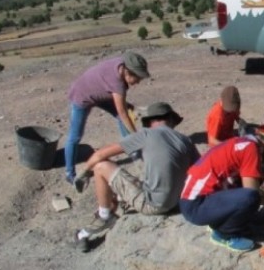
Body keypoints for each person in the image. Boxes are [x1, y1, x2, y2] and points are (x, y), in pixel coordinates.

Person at [73, 102, 199, 250]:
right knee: (136, 180)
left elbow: (100, 155)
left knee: (101, 167)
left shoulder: (146, 134)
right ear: (171, 120)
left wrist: (84, 173)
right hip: (176, 202)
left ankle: (104, 217)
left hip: (153, 205)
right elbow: (200, 170)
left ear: (150, 122)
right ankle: (114, 202)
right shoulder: (186, 140)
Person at [179, 123, 264, 253]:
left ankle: (219, 220)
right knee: (250, 198)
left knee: (257, 175)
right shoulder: (251, 149)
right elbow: (252, 193)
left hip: (194, 200)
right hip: (196, 206)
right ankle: (224, 234)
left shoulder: (243, 142)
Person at [65, 52, 149, 183]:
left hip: (99, 91)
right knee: (74, 137)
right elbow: (123, 113)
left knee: (123, 114)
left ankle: (133, 151)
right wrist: (137, 136)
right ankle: (70, 174)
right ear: (127, 72)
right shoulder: (117, 84)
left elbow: (122, 110)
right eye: (137, 78)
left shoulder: (124, 63)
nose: (138, 82)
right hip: (81, 95)